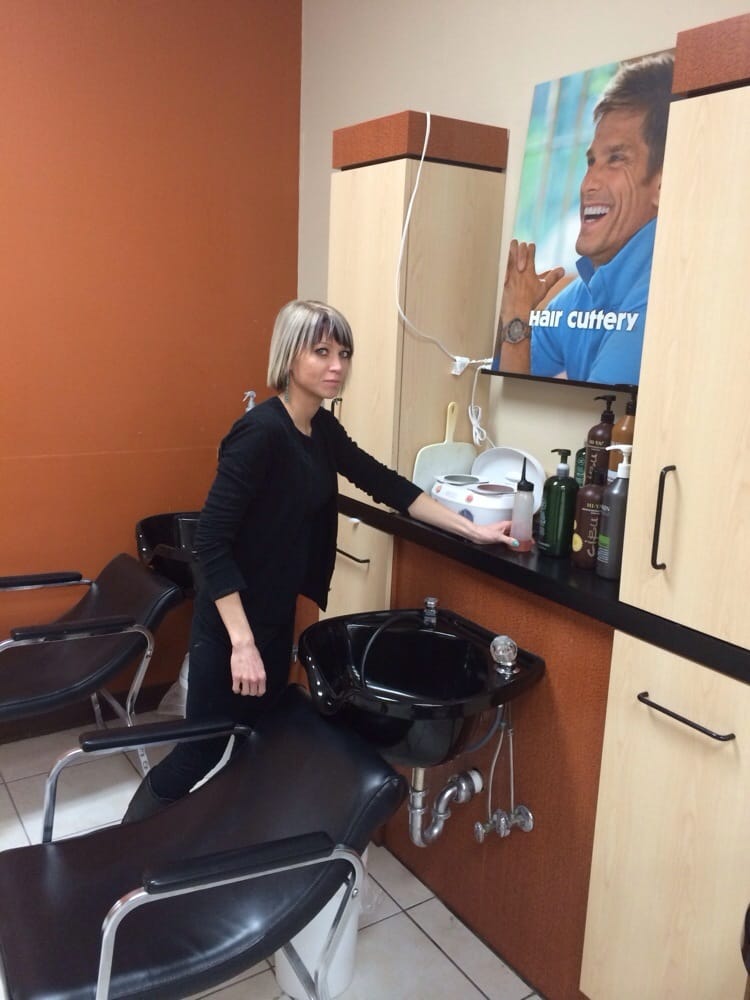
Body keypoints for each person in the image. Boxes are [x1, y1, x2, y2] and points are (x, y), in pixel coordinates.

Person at [123, 299, 520, 821]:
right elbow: (211, 542)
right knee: (199, 751)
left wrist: (472, 527)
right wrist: (241, 645)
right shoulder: (260, 433)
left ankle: (230, 839)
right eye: (322, 352)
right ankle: (124, 846)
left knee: (255, 742)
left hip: (272, 619)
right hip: (231, 630)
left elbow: (386, 484)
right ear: (290, 357)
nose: (337, 366)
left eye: (344, 354)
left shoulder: (319, 429)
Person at [493, 52, 674, 385]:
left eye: (616, 159)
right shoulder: (585, 291)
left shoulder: (659, 296)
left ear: (662, 185)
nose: (588, 183)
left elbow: (596, 406)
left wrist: (517, 315)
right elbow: (505, 384)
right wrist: (513, 308)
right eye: (591, 162)